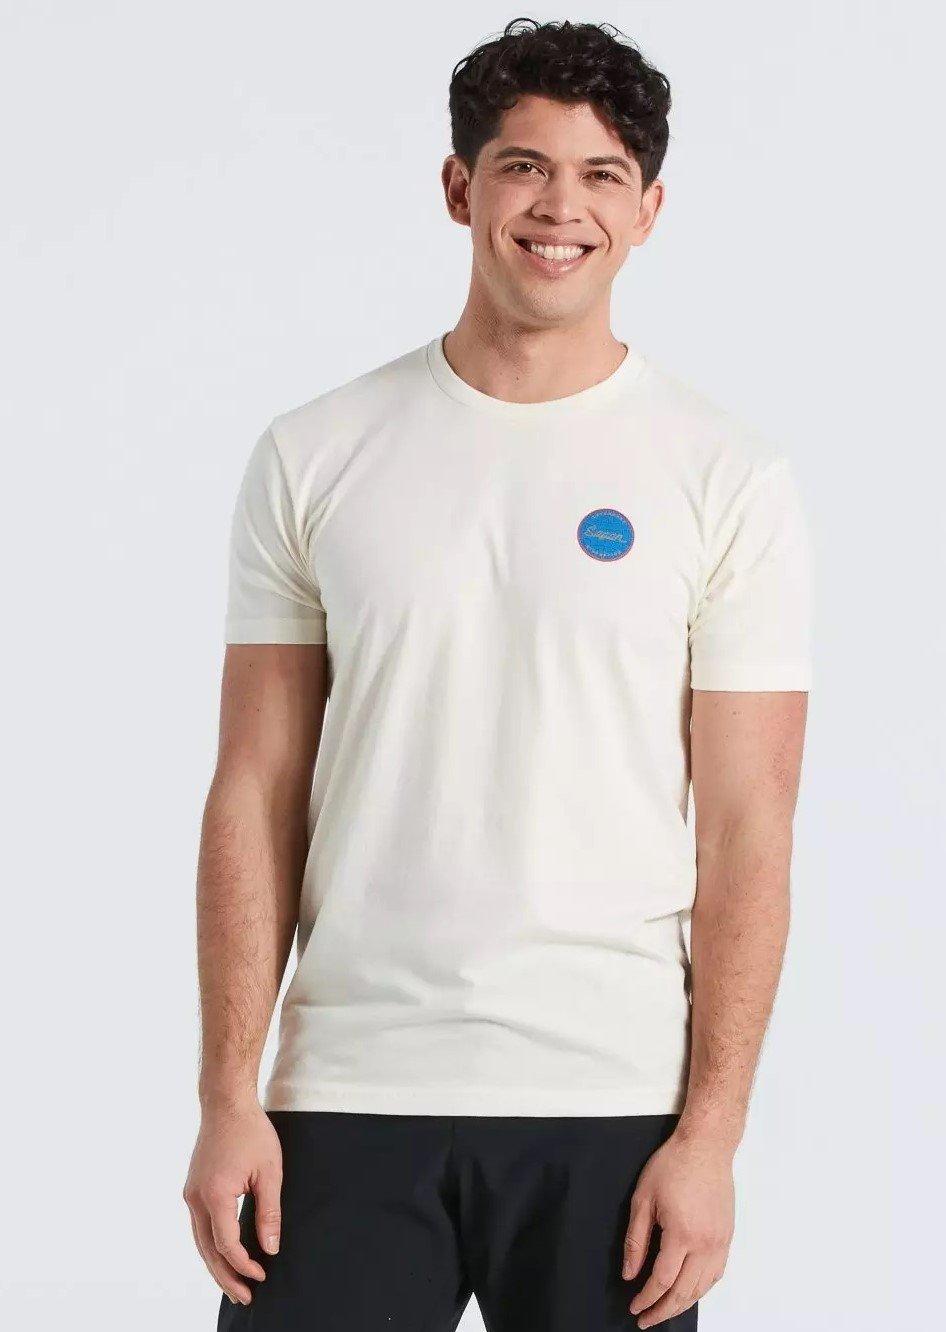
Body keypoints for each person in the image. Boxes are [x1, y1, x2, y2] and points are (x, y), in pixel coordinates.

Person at [183, 17, 812, 1332]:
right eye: (524, 166)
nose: (558, 207)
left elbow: (750, 827)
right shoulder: (315, 453)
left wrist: (711, 1137)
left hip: (613, 1098)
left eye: (599, 176)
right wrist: (226, 1096)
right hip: (345, 1091)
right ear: (459, 186)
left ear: (647, 210)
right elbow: (255, 787)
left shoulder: (724, 476)